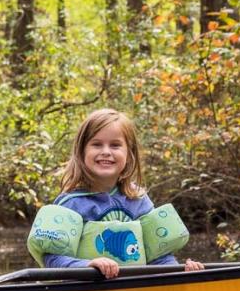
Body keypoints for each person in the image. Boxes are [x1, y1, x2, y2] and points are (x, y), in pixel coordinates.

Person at [40, 108, 205, 278]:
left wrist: (181, 272)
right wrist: (86, 265)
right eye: (96, 144)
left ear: (129, 153)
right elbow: (52, 258)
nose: (106, 151)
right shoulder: (70, 203)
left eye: (115, 145)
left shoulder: (139, 200)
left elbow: (159, 258)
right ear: (82, 152)